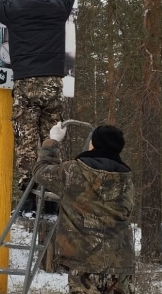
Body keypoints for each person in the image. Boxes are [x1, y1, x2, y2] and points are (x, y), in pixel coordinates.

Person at [0, 0, 77, 215]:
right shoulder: (58, 9)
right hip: (53, 85)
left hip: (27, 82)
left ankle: (27, 199)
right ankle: (49, 201)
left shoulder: (16, 10)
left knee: (26, 141)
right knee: (51, 139)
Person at [33, 123, 135, 294]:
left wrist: (53, 141)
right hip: (120, 261)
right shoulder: (126, 180)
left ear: (93, 144)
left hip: (84, 260)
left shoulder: (74, 171)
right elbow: (127, 211)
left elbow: (41, 171)